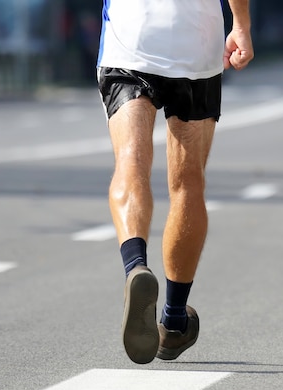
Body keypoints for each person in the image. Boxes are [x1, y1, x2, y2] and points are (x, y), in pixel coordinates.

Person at [97, 0, 254, 364]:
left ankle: (136, 266)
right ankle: (174, 318)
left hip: (131, 34)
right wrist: (241, 23)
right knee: (188, 183)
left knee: (130, 161)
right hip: (196, 38)